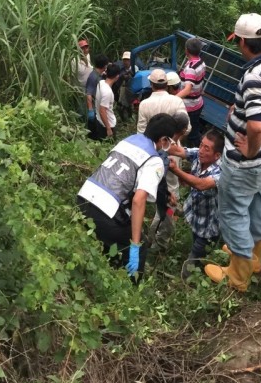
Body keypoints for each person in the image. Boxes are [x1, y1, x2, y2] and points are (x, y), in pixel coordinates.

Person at [205, 13, 261, 292]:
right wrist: (240, 110)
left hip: (248, 162)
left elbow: (256, 127)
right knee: (258, 203)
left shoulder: (254, 76)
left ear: (244, 42)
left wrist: (249, 150)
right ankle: (254, 256)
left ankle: (237, 275)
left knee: (233, 212)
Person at [77, 113, 178, 279]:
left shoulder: (129, 140)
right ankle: (130, 289)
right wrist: (135, 245)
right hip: (104, 212)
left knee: (111, 238)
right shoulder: (154, 159)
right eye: (169, 141)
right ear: (163, 139)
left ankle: (104, 270)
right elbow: (139, 200)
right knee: (138, 246)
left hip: (83, 199)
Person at [168, 129, 224, 279]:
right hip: (195, 214)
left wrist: (176, 170)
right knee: (195, 242)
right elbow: (179, 150)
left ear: (217, 155)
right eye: (201, 145)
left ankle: (185, 282)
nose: (201, 150)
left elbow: (201, 184)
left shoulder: (222, 171)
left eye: (207, 148)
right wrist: (159, 142)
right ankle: (201, 264)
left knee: (194, 255)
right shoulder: (199, 155)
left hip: (210, 225)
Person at [147, 112, 191, 255]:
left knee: (162, 218)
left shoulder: (173, 144)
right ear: (184, 130)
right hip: (168, 193)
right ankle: (156, 247)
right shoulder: (168, 147)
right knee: (166, 222)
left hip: (169, 191)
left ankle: (153, 242)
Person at [137, 68, 190, 135]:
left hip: (151, 144)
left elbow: (141, 132)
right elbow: (187, 128)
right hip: (172, 143)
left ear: (151, 84)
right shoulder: (177, 101)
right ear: (166, 84)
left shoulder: (144, 104)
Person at [176, 37, 206, 147]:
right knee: (194, 127)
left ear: (187, 50)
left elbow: (187, 89)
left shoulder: (191, 68)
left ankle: (199, 152)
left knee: (192, 133)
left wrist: (173, 99)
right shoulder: (201, 62)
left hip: (190, 106)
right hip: (198, 102)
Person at [94, 62, 122, 140]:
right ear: (117, 76)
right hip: (106, 124)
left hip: (99, 121)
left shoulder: (101, 83)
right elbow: (102, 110)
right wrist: (108, 128)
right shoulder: (107, 92)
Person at [85, 55, 108, 138]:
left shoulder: (99, 75)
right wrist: (90, 109)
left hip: (98, 106)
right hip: (94, 108)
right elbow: (89, 94)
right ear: (105, 66)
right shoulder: (93, 77)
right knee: (94, 131)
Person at [117, 50, 137, 122]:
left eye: (127, 60)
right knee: (121, 106)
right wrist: (122, 76)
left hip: (133, 89)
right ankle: (125, 120)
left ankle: (131, 116)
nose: (126, 62)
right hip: (124, 88)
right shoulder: (121, 70)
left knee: (131, 104)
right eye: (124, 60)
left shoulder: (135, 68)